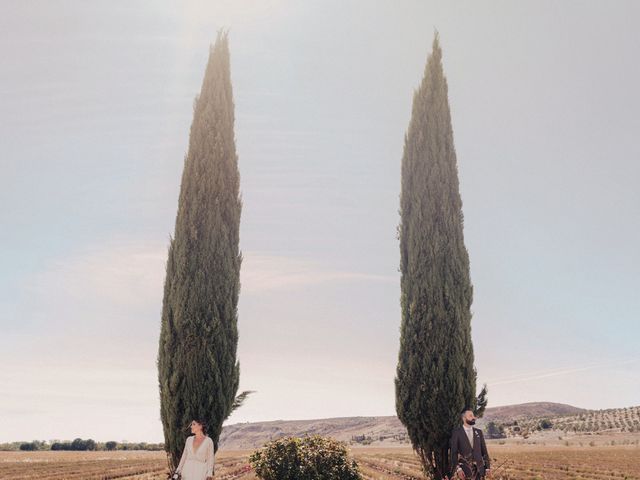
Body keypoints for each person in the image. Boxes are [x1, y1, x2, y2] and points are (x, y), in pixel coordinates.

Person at [450, 408, 491, 479]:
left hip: (480, 471)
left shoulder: (479, 432)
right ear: (463, 418)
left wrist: (487, 468)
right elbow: (454, 453)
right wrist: (458, 469)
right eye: (470, 416)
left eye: (473, 415)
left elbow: (484, 451)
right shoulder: (456, 433)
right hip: (465, 472)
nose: (473, 417)